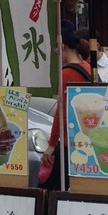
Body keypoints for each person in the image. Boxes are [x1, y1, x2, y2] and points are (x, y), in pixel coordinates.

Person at [39, 21, 93, 190]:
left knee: (52, 188)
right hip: (87, 138)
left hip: (68, 142)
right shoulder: (89, 69)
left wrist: (51, 145)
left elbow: (61, 112)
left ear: (63, 46)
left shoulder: (66, 73)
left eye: (57, 50)